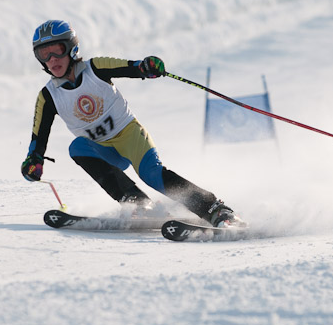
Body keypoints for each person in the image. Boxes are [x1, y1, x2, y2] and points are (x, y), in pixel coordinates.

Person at [21, 20, 238, 227]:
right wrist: (34, 159)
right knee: (76, 147)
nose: (51, 59)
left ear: (71, 49)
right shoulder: (48, 96)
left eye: (57, 50)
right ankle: (138, 203)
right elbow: (38, 137)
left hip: (129, 136)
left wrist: (146, 67)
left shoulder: (95, 68)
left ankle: (214, 209)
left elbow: (131, 67)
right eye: (43, 54)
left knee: (152, 175)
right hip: (103, 150)